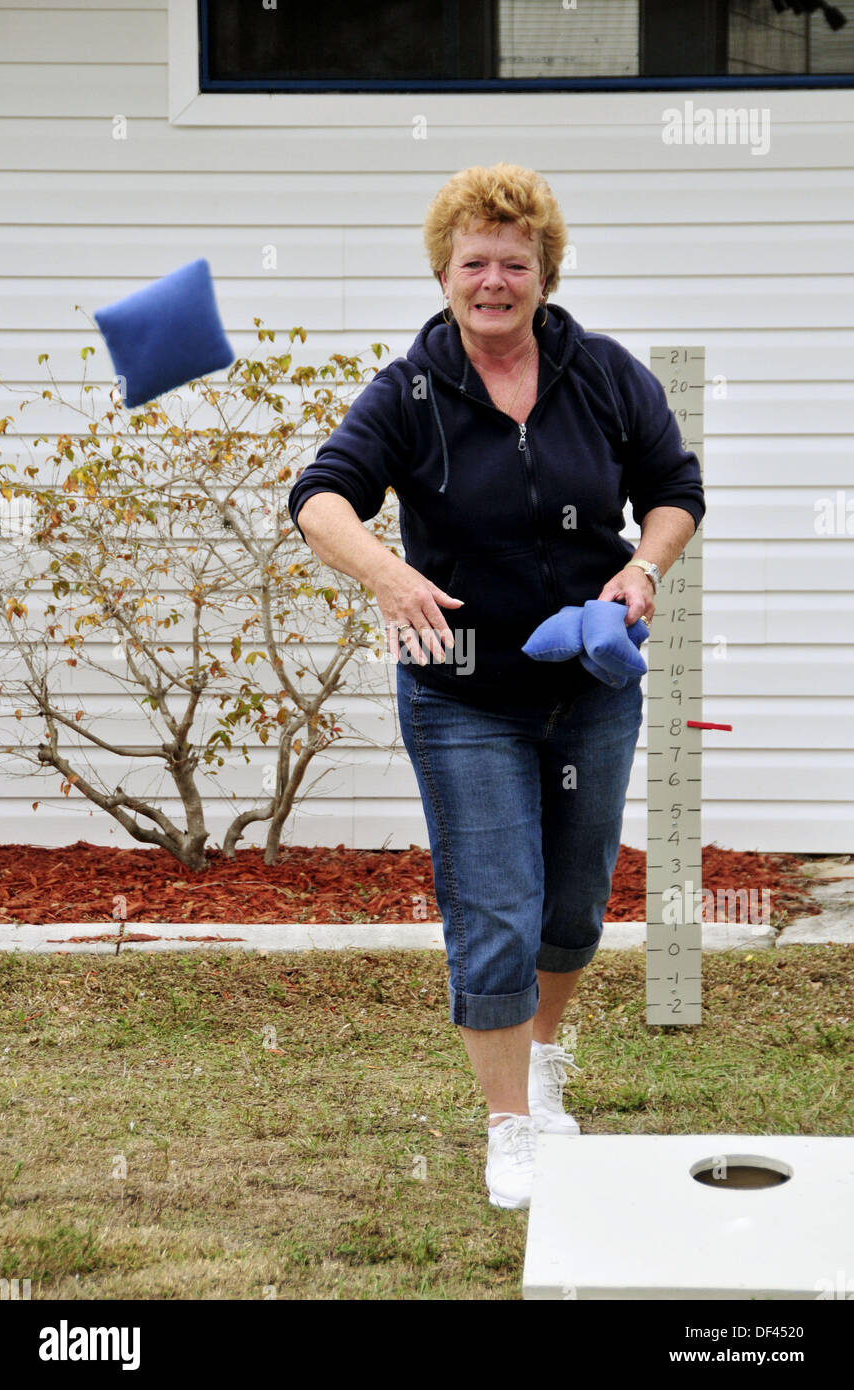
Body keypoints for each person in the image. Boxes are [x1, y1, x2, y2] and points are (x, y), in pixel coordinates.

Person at [288, 163, 705, 1209]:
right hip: (462, 693)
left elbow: (672, 489)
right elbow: (320, 496)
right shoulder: (410, 391)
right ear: (442, 273)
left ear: (543, 273)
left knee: (571, 903)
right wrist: (385, 571)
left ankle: (545, 1057)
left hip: (592, 684)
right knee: (497, 907)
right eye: (473, 262)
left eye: (513, 263)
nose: (492, 280)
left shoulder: (602, 374)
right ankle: (508, 1124)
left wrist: (640, 568)